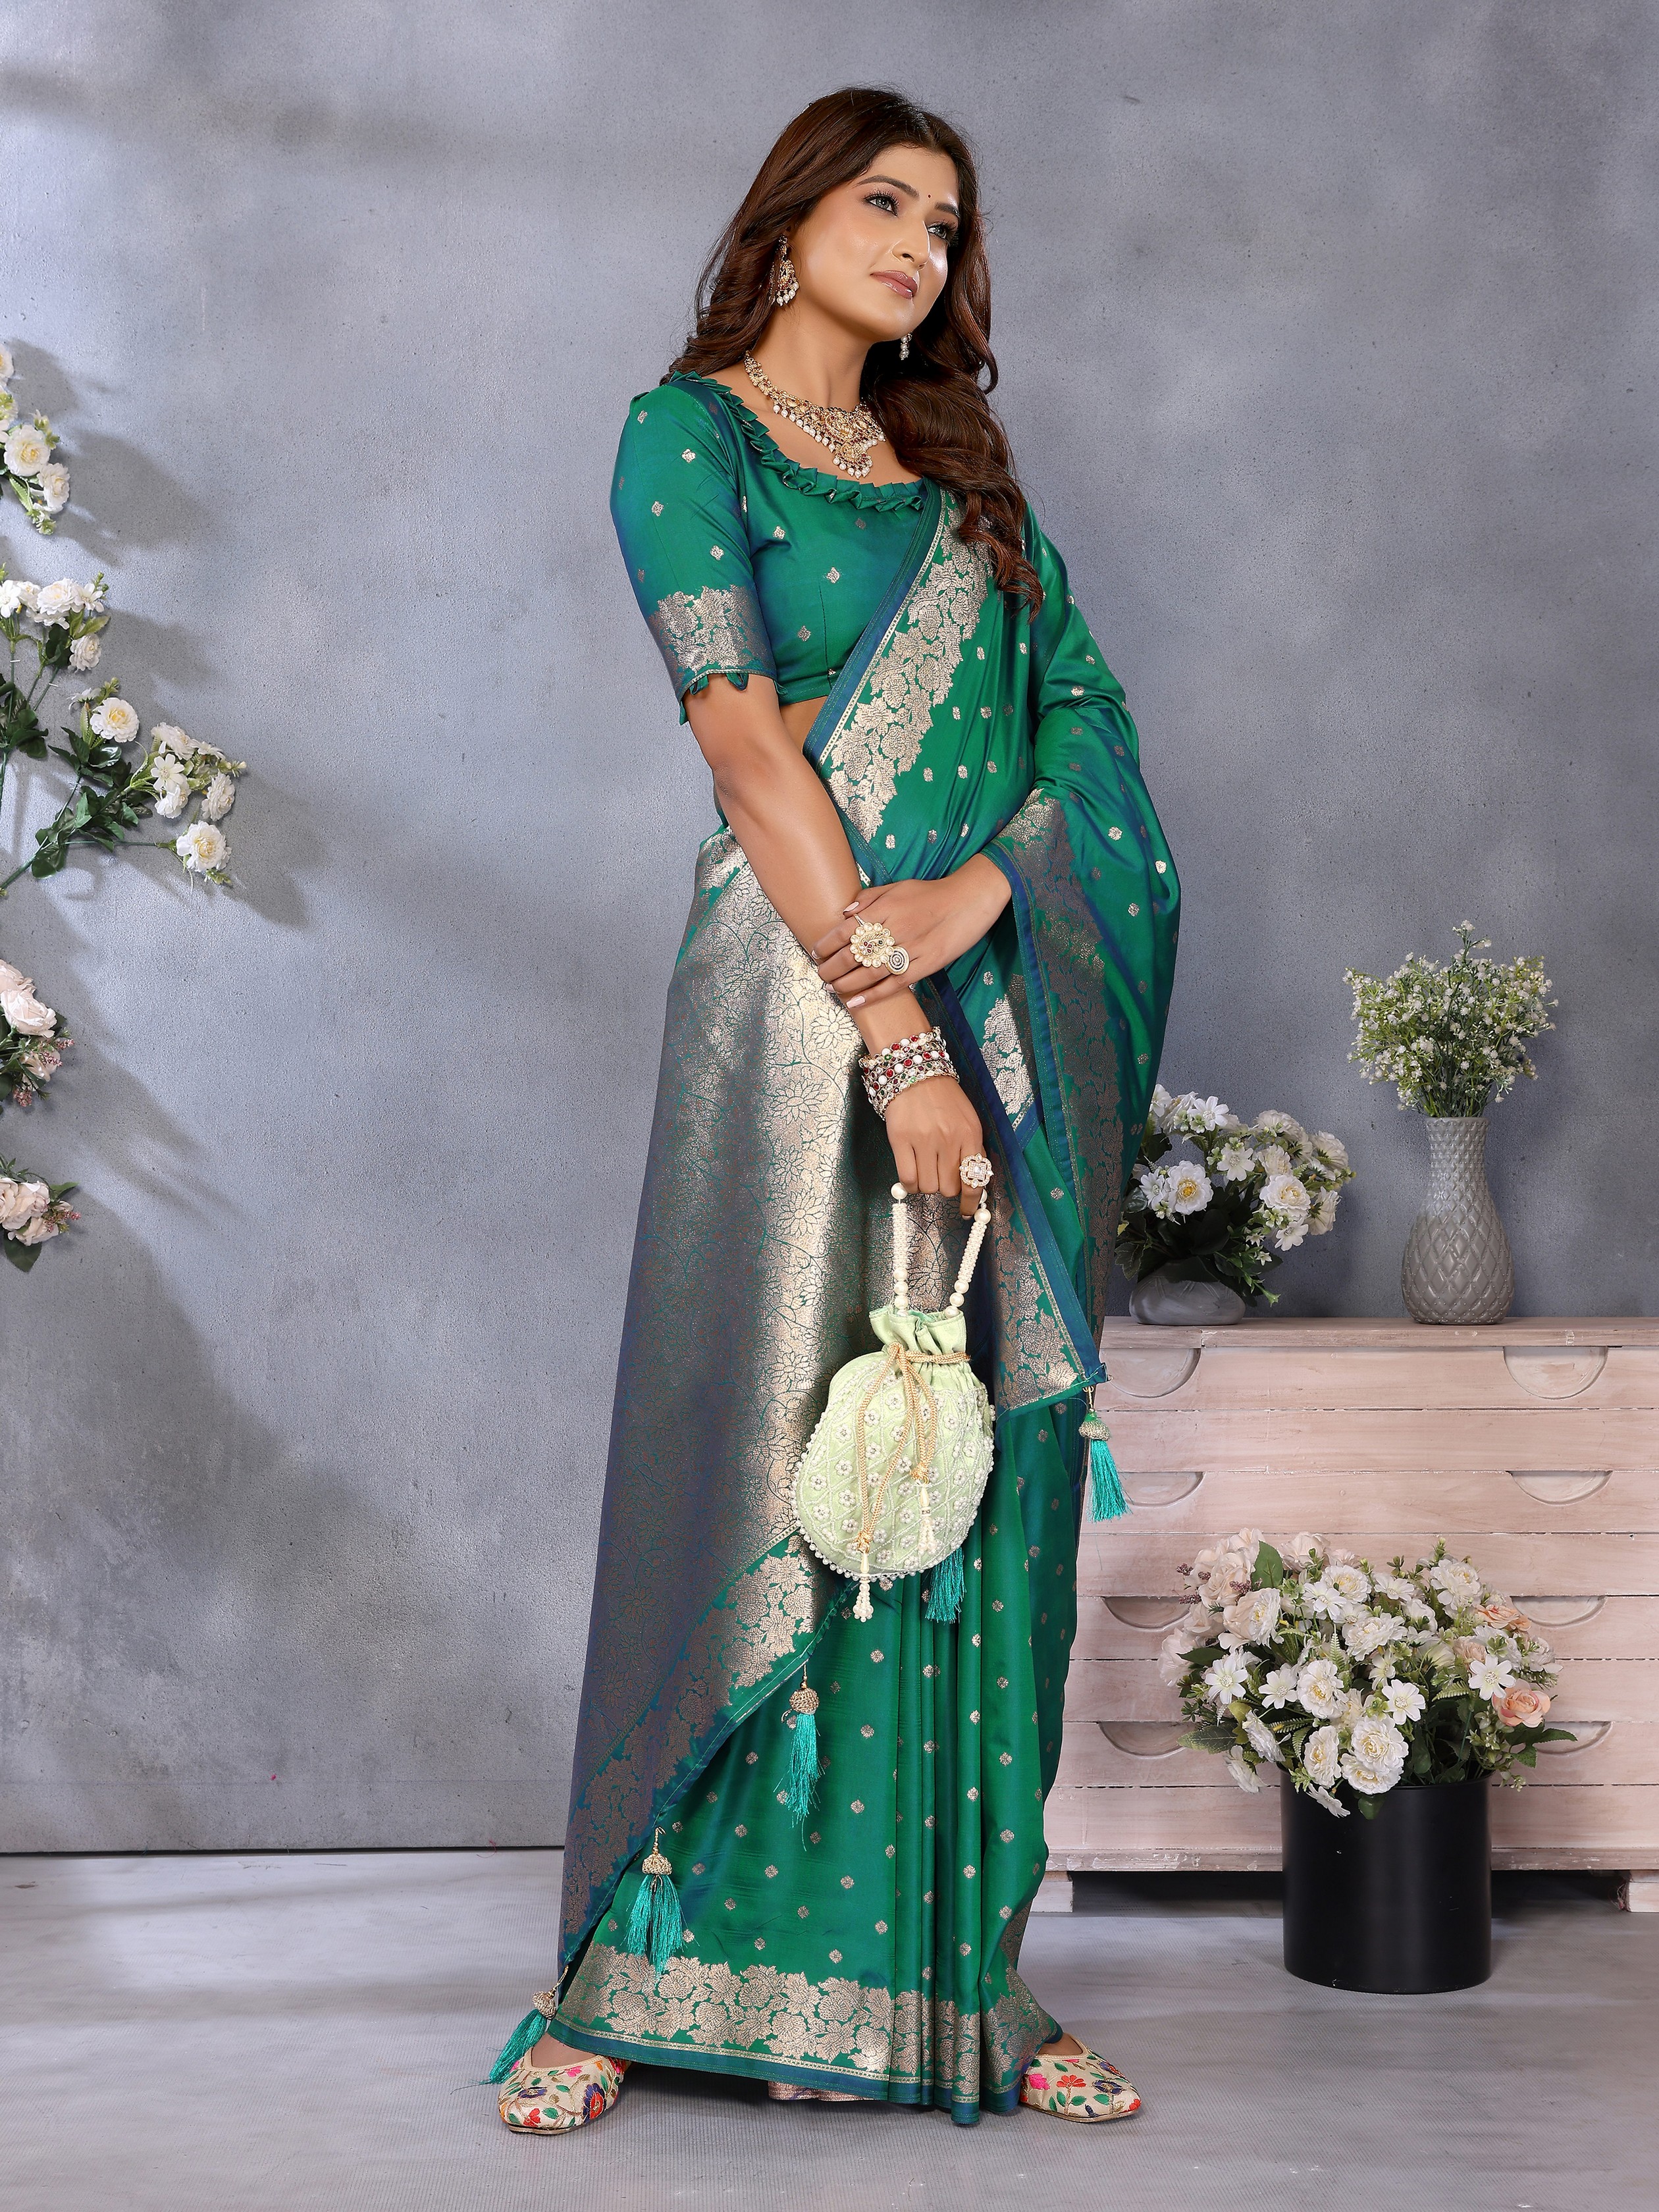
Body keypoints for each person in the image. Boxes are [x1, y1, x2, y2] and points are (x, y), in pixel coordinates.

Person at [487, 85, 1178, 2134]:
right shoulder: (683, 437)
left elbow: (1084, 730)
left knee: (975, 1467)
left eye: (947, 225)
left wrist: (986, 895)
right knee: (773, 1459)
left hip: (994, 1006)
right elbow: (745, 749)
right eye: (884, 203)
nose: (918, 246)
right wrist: (897, 1029)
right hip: (802, 1019)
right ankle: (633, 1974)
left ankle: (946, 1984)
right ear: (786, 224)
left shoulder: (968, 487)